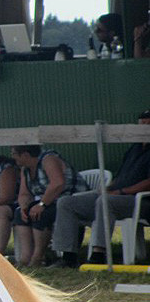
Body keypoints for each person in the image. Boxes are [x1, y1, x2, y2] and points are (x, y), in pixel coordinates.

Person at [51, 110, 150, 267]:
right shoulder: (134, 148)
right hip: (117, 195)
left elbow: (148, 183)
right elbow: (122, 176)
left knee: (105, 201)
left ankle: (99, 253)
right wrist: (108, 187)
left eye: (147, 122)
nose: (144, 126)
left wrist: (121, 192)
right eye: (141, 122)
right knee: (66, 202)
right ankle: (67, 256)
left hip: (140, 200)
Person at [11, 145, 83, 267]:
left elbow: (58, 184)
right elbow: (24, 193)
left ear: (25, 155)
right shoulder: (25, 169)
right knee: (19, 213)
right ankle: (25, 258)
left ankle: (38, 257)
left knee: (42, 214)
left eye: (14, 154)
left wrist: (41, 204)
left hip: (68, 200)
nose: (12, 157)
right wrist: (24, 206)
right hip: (45, 201)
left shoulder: (48, 159)